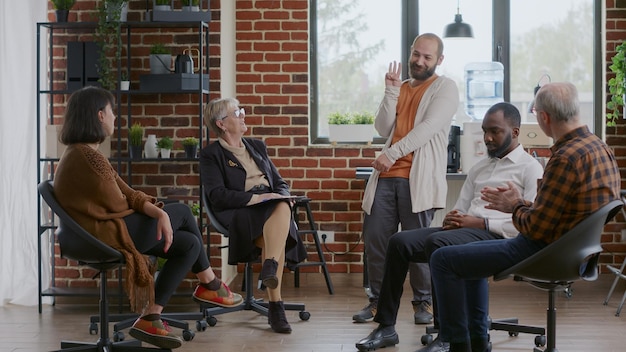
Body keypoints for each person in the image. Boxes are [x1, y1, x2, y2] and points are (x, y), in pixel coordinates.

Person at [430, 82, 621, 352]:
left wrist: (513, 207)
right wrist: (521, 203)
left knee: (443, 259)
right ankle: (477, 341)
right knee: (467, 253)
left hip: (546, 252)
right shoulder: (600, 148)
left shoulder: (565, 157)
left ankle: (457, 346)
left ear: (543, 117)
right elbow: (561, 213)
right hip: (578, 253)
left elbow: (535, 228)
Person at [53, 86, 243, 350]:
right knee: (185, 212)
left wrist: (158, 212)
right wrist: (161, 214)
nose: (115, 117)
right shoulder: (87, 159)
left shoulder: (86, 153)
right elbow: (120, 202)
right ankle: (210, 283)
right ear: (99, 116)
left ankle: (151, 316)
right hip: (103, 235)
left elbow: (126, 192)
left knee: (189, 243)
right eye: (112, 112)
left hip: (102, 230)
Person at [355, 102, 544, 352]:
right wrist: (452, 218)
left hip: (497, 236)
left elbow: (526, 223)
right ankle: (386, 327)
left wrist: (480, 222)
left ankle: (446, 336)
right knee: (399, 242)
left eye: (495, 131)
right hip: (466, 231)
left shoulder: (530, 168)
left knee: (438, 244)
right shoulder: (479, 168)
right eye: (485, 131)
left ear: (515, 132)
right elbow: (461, 208)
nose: (487, 138)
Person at [356, 32, 459, 325]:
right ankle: (376, 302)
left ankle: (423, 304)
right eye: (416, 54)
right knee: (376, 242)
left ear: (439, 60)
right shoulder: (401, 88)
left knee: (419, 245)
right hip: (386, 178)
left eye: (427, 57)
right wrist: (390, 92)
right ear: (410, 53)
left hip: (418, 180)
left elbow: (429, 126)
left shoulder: (445, 87)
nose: (419, 61)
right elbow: (383, 126)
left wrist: (393, 153)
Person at [199, 97, 306, 334]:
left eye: (241, 111)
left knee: (282, 205)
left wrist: (281, 195)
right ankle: (275, 305)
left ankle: (270, 271)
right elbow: (217, 195)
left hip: (270, 206)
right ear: (222, 124)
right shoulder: (211, 155)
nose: (243, 115)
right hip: (240, 209)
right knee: (277, 222)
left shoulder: (257, 146)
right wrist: (257, 198)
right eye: (237, 113)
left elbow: (279, 182)